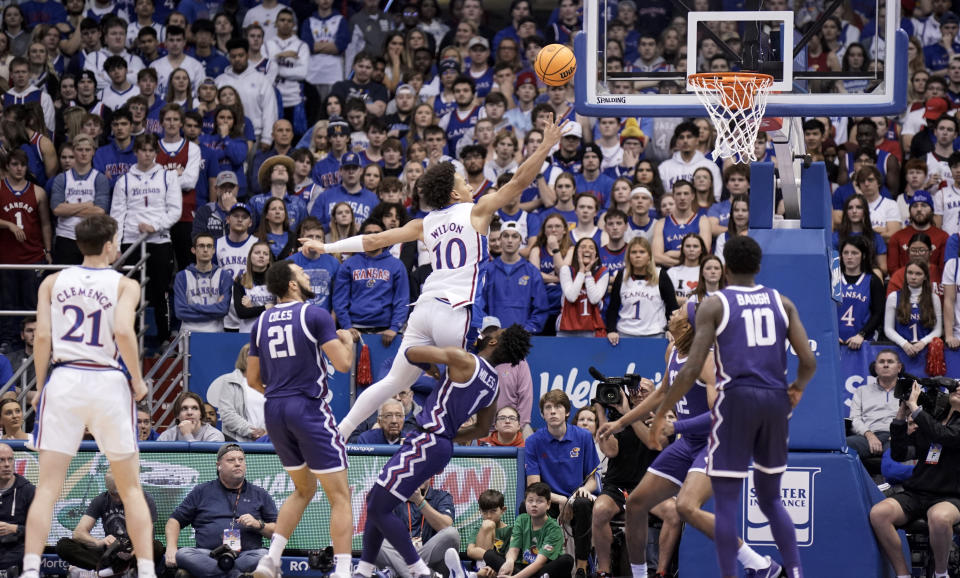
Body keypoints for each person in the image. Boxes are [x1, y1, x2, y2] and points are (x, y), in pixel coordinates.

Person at [301, 115, 566, 441]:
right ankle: (437, 441)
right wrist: (545, 145)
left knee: (393, 383)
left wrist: (324, 245)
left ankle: (339, 433)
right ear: (454, 196)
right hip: (456, 310)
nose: (470, 186)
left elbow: (371, 242)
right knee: (462, 384)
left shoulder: (423, 224)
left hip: (423, 310)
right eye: (464, 184)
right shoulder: (477, 211)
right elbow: (518, 183)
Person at [648, 235, 817, 578]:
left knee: (725, 505)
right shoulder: (781, 302)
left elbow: (693, 368)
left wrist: (665, 411)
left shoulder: (716, 304)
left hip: (738, 402)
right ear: (758, 267)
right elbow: (809, 360)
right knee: (771, 500)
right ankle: (795, 572)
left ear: (724, 269)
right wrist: (797, 387)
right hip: (774, 404)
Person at [22, 214, 157, 578]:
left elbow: (43, 339)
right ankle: (146, 571)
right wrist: (139, 381)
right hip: (107, 380)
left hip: (64, 377)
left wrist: (39, 385)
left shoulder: (52, 281)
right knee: (130, 489)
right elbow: (124, 333)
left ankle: (31, 569)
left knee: (48, 487)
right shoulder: (124, 284)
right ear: (110, 243)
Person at [352, 324, 531, 578]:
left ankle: (419, 571)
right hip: (441, 446)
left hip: (427, 441)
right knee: (378, 502)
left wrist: (432, 368)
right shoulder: (494, 387)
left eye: (494, 334)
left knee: (377, 507)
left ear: (492, 343)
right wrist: (449, 435)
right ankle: (364, 570)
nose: (483, 334)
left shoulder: (464, 359)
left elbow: (412, 353)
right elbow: (481, 430)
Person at [246, 259, 355, 578]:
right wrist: (347, 342)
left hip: (274, 409)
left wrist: (281, 392)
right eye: (302, 273)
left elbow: (253, 380)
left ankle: (270, 560)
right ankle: (344, 571)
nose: (307, 275)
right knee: (340, 496)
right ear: (292, 284)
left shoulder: (261, 321)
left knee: (303, 490)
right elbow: (344, 365)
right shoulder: (315, 314)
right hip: (306, 407)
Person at [870, 376, 960, 578]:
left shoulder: (932, 422)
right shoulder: (933, 418)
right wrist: (902, 414)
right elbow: (900, 453)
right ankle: (903, 574)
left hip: (950, 495)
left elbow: (944, 436)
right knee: (879, 513)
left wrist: (915, 408)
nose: (958, 388)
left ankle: (940, 573)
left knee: (939, 517)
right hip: (917, 492)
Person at [165, 444, 277, 578]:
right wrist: (171, 547)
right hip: (208, 555)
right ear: (219, 465)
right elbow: (174, 521)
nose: (237, 464)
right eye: (231, 460)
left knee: (263, 555)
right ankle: (236, 576)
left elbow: (278, 531)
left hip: (245, 554)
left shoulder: (260, 494)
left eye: (241, 460)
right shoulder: (202, 491)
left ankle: (219, 574)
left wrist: (259, 525)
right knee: (184, 554)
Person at [524, 390, 598, 576]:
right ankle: (536, 566)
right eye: (548, 407)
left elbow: (592, 481)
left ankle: (581, 567)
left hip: (577, 499)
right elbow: (534, 485)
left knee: (582, 504)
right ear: (542, 414)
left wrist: (577, 495)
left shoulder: (583, 437)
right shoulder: (533, 441)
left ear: (567, 412)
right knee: (526, 507)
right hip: (551, 500)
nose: (553, 411)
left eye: (558, 407)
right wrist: (562, 500)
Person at [55, 471, 163, 575]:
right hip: (108, 553)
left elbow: (148, 536)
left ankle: (105, 571)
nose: (117, 500)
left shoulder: (145, 500)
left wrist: (133, 552)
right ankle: (114, 571)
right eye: (113, 494)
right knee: (63, 545)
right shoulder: (101, 500)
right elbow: (78, 533)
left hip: (133, 552)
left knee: (156, 547)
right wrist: (98, 542)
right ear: (107, 489)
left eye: (120, 494)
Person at [332, 219, 410, 346]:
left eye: (377, 233)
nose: (373, 237)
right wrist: (347, 326)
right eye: (368, 233)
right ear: (361, 238)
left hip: (386, 331)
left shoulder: (396, 265)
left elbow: (402, 299)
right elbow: (340, 300)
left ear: (384, 237)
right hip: (355, 330)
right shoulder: (349, 264)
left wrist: (395, 327)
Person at [480, 482, 574, 578]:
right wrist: (509, 561)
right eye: (530, 501)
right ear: (525, 503)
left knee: (566, 560)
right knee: (489, 554)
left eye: (539, 501)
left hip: (542, 568)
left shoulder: (554, 529)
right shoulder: (521, 520)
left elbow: (539, 563)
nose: (534, 504)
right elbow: (514, 549)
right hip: (521, 567)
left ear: (548, 504)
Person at [481, 222, 549, 334]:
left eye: (515, 236)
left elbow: (541, 309)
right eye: (506, 236)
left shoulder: (532, 272)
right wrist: (489, 329)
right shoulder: (488, 270)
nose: (510, 240)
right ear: (500, 239)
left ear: (521, 241)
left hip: (521, 339)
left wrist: (525, 331)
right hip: (493, 337)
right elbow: (479, 305)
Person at [847, 349, 902, 463]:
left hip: (896, 437)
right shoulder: (862, 391)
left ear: (899, 367)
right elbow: (855, 419)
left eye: (890, 361)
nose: (885, 365)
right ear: (875, 368)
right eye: (881, 362)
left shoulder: (908, 391)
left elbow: (915, 419)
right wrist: (869, 435)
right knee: (844, 445)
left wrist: (899, 435)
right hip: (867, 437)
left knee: (898, 451)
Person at [173, 232, 233, 333]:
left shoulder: (224, 276)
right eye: (201, 246)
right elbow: (180, 312)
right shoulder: (182, 276)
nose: (205, 250)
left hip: (215, 333)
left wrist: (192, 307)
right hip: (188, 334)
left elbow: (223, 310)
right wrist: (214, 308)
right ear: (193, 250)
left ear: (213, 250)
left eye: (209, 246)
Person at [206, 344, 266, 443]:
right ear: (243, 358)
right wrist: (251, 432)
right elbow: (227, 413)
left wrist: (265, 432)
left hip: (266, 441)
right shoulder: (230, 380)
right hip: (238, 443)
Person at [883, 261, 942, 358]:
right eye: (910, 273)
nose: (913, 277)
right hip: (900, 350)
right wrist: (904, 344)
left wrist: (923, 343)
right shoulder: (893, 297)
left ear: (925, 277)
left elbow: (938, 330)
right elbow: (888, 329)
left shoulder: (934, 298)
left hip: (925, 351)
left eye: (918, 274)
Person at [837, 236, 885, 349]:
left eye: (854, 253)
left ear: (863, 256)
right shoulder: (833, 280)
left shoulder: (872, 280)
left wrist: (861, 335)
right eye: (846, 253)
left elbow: (878, 313)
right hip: (835, 340)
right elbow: (823, 310)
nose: (849, 257)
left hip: (863, 341)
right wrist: (831, 335)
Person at [556, 238, 608, 336]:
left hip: (591, 328)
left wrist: (588, 273)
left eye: (591, 248)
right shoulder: (566, 270)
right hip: (566, 328)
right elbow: (571, 297)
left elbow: (594, 299)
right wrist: (581, 270)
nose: (587, 250)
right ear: (576, 252)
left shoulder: (603, 272)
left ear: (596, 254)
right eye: (583, 247)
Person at [0, 442, 34, 578]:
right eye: (1, 460)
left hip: (17, 547)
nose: (7, 464)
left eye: (10, 459)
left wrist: (15, 529)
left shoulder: (28, 491)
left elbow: (40, 530)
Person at [158, 392, 225, 442]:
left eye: (194, 408)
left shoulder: (214, 435)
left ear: (201, 414)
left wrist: (187, 435)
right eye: (184, 408)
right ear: (177, 415)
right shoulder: (167, 436)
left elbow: (202, 460)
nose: (189, 413)